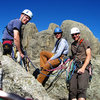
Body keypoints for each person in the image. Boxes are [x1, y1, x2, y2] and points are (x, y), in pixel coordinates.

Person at [69, 27, 91, 100]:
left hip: (84, 66)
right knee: (72, 90)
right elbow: (73, 56)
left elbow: (89, 55)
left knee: (81, 90)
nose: (75, 36)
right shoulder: (72, 45)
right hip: (75, 67)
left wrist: (83, 68)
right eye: (73, 35)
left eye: (76, 34)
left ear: (79, 34)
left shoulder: (85, 42)